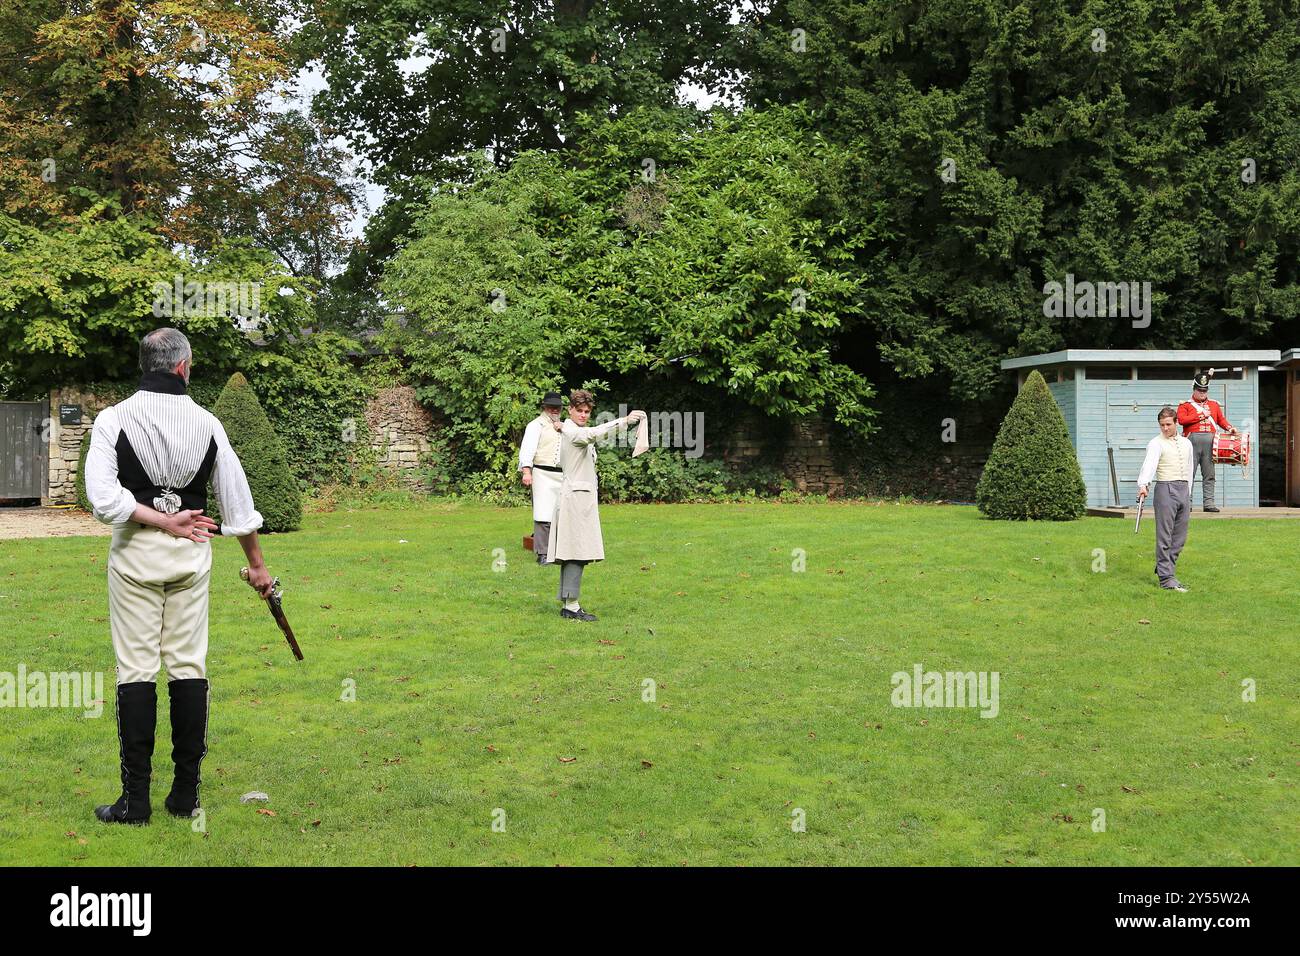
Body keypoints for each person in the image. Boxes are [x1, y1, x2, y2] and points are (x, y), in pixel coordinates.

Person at [84, 328, 274, 824]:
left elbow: (104, 501)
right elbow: (238, 504)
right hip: (192, 557)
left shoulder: (113, 419)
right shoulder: (208, 422)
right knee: (189, 667)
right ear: (184, 366)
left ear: (145, 364)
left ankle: (136, 800)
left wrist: (158, 518)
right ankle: (185, 796)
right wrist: (255, 564)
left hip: (133, 558)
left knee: (136, 670)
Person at [544, 390, 645, 621]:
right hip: (575, 500)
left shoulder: (570, 429)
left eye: (587, 412)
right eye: (579, 411)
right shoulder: (573, 431)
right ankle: (571, 605)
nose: (583, 415)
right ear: (570, 410)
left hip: (580, 498)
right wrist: (624, 421)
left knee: (576, 553)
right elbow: (593, 434)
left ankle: (570, 602)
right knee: (575, 553)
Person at [1137, 406, 1195, 592]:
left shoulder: (1187, 443)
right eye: (1162, 425)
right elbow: (1149, 465)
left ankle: (1165, 568)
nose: (1165, 428)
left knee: (1180, 537)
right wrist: (1143, 484)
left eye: (1168, 424)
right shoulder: (1155, 443)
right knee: (1165, 536)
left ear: (1176, 423)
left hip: (1183, 489)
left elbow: (1190, 468)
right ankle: (1166, 578)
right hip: (1165, 489)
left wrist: (1189, 492)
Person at [1176, 372, 1238, 512]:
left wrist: (1229, 428)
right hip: (1191, 442)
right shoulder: (1185, 405)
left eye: (1205, 390)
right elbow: (1182, 420)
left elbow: (1220, 420)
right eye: (1199, 390)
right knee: (1188, 474)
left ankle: (1208, 503)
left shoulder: (1214, 405)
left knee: (1209, 475)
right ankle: (1187, 504)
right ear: (1194, 389)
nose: (1202, 393)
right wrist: (1200, 415)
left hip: (1210, 442)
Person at [517, 391, 565, 564]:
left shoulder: (566, 425)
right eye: (551, 406)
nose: (554, 410)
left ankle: (559, 552)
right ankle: (543, 554)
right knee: (543, 513)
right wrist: (526, 471)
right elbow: (527, 449)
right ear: (544, 407)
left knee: (561, 513)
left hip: (562, 474)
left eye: (557, 407)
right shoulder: (535, 425)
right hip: (542, 473)